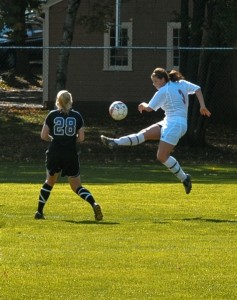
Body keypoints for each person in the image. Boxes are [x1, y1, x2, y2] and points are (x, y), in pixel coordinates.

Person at [101, 68, 211, 194]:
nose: (154, 84)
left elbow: (149, 108)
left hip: (175, 125)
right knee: (142, 135)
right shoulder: (180, 83)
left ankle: (185, 178)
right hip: (170, 121)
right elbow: (197, 88)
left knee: (161, 156)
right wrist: (202, 106)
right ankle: (115, 142)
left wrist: (142, 105)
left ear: (163, 79)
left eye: (155, 81)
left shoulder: (164, 90)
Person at [35, 90, 103, 221]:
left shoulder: (52, 115)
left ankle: (39, 212)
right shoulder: (77, 116)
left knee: (49, 182)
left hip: (55, 153)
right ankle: (93, 203)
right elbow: (81, 138)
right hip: (70, 154)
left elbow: (43, 136)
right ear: (70, 101)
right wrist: (70, 140)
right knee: (77, 186)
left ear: (58, 101)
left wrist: (55, 139)